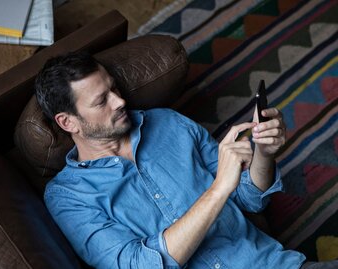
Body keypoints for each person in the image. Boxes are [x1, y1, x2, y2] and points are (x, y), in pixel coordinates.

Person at [35, 51, 337, 269]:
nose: (120, 100)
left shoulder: (168, 124)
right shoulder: (69, 197)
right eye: (102, 100)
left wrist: (264, 154)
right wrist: (217, 191)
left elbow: (250, 200)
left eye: (113, 87)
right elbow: (140, 266)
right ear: (68, 122)